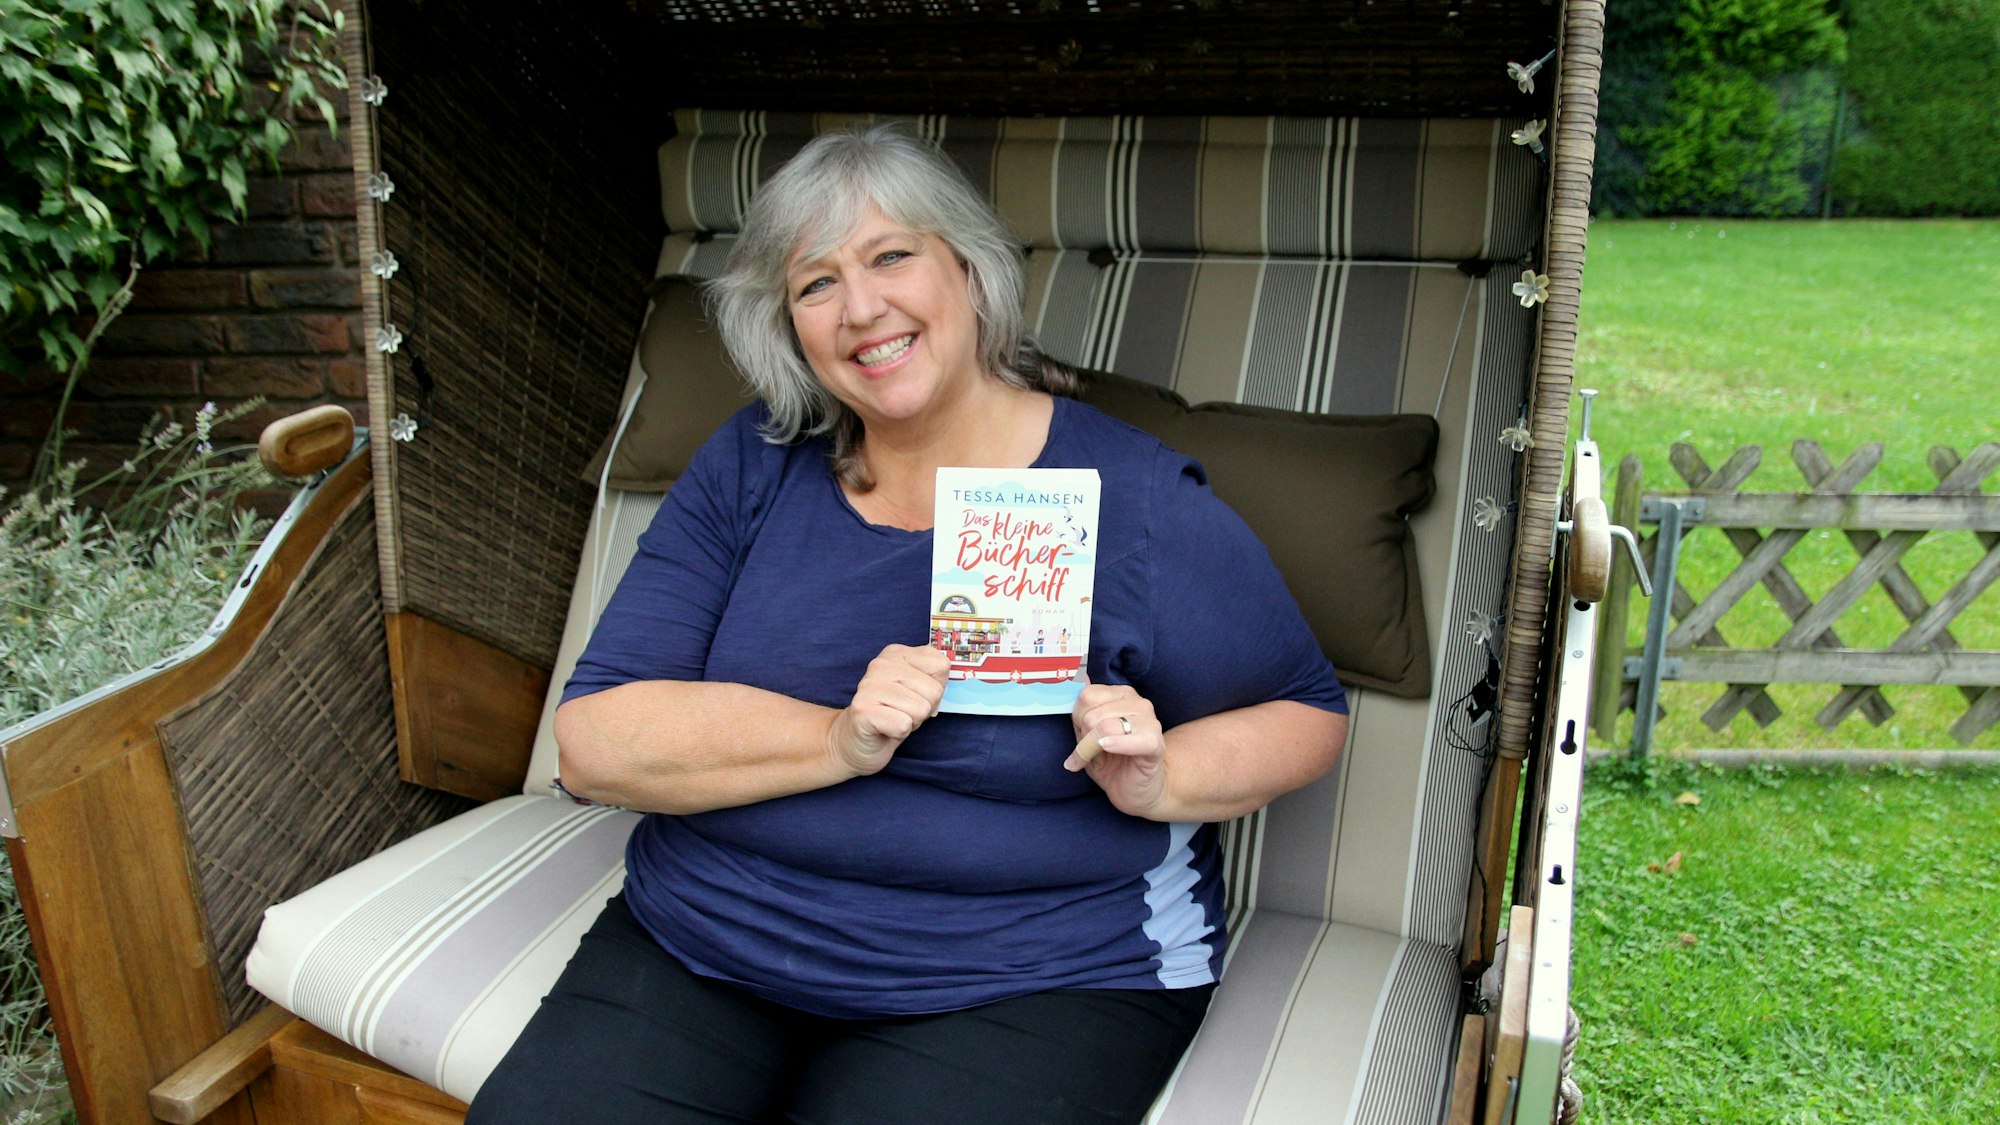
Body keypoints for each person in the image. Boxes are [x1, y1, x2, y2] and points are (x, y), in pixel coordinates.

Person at [466, 124, 1348, 1125]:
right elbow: (592, 746)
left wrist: (1161, 779)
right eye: (815, 284)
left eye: (891, 257)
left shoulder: (1130, 496)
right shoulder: (753, 461)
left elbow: (1304, 711)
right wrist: (835, 738)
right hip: (709, 939)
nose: (861, 309)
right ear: (787, 325)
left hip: (1028, 974)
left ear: (967, 274)